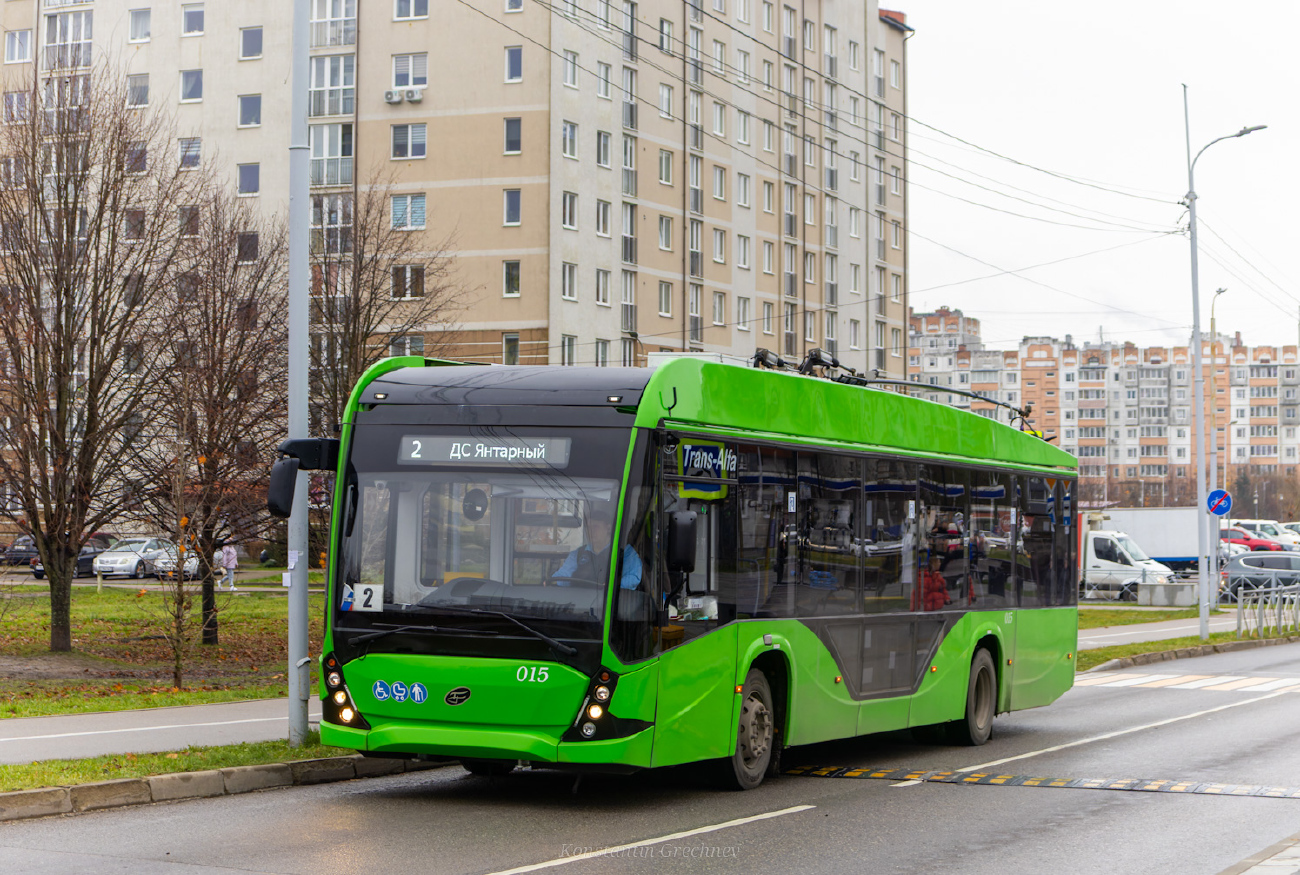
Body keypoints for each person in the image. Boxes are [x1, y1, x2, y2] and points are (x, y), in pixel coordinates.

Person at [553, 503, 642, 589]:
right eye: (589, 527)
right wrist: (552, 582)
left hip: (612, 601)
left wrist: (611, 585)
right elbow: (561, 577)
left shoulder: (625, 552)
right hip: (580, 600)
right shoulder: (577, 554)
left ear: (608, 528)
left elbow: (633, 578)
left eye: (596, 527)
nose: (591, 531)